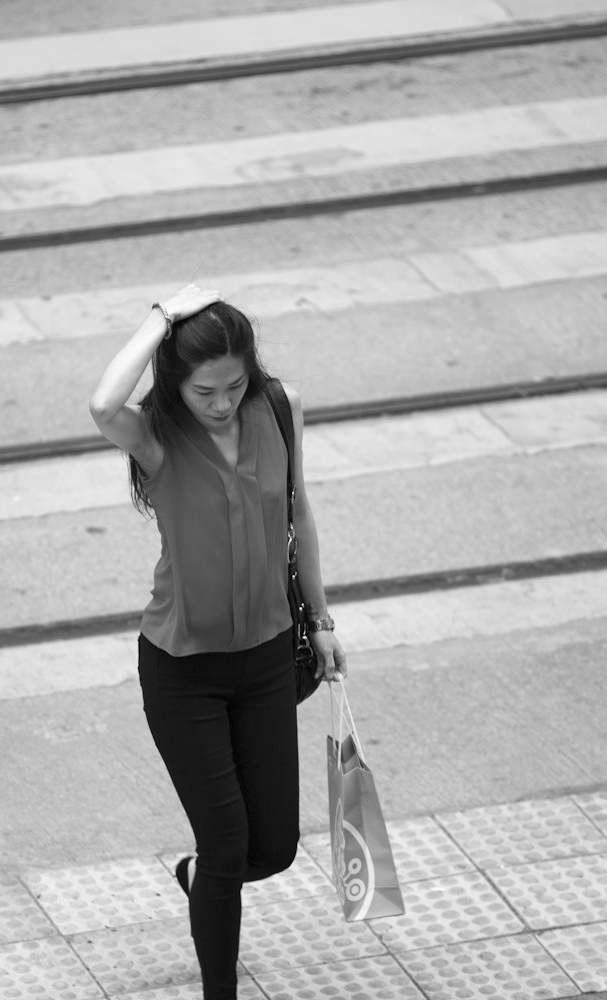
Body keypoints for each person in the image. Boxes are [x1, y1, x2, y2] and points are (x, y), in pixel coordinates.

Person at [89, 284, 346, 999]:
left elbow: (300, 514)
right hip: (182, 671)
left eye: (235, 385)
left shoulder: (280, 408)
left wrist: (321, 622)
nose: (224, 402)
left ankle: (199, 879)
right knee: (229, 845)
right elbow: (102, 405)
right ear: (176, 382)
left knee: (274, 849)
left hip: (267, 659)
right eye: (205, 390)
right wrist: (159, 319)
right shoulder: (155, 434)